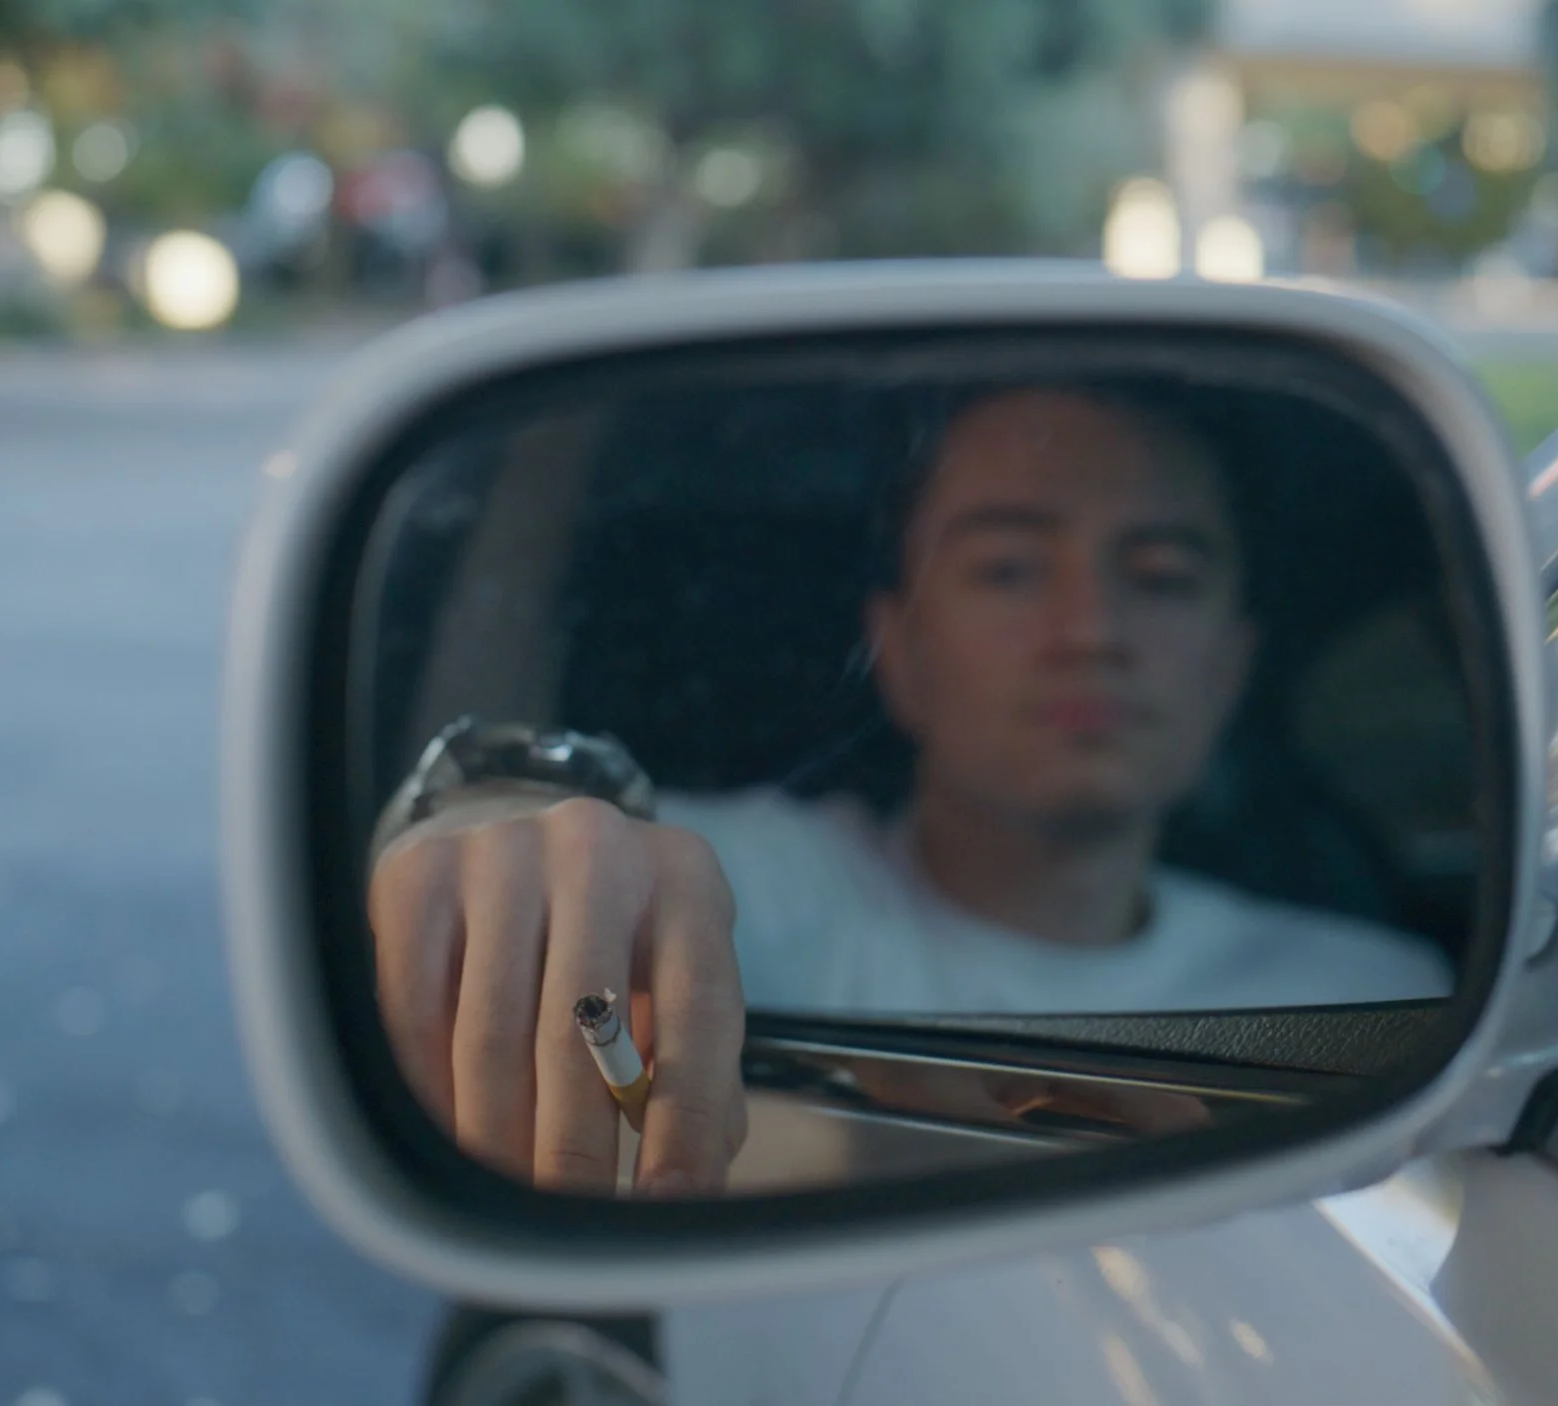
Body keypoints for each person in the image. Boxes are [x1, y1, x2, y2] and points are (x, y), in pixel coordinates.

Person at [366, 385, 1451, 1194]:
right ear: (898, 650)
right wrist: (497, 829)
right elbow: (561, 861)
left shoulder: (1371, 997)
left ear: (1229, 665)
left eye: (1161, 577)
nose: (1091, 632)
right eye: (1009, 569)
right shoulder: (766, 893)